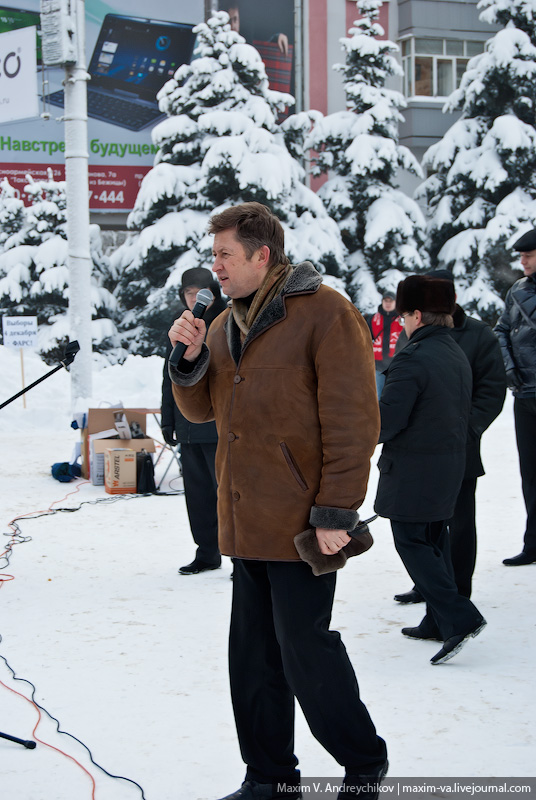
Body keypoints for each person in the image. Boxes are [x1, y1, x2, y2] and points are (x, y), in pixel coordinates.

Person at [168, 202, 387, 800]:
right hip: (246, 519)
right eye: (213, 255)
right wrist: (186, 360)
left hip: (302, 525)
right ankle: (269, 776)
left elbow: (353, 419)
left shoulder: (325, 313)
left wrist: (337, 512)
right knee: (253, 662)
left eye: (224, 256)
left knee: (304, 654)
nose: (215, 266)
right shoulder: (221, 323)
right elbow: (203, 411)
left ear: (262, 256)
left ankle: (364, 763)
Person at [374, 275, 486, 665]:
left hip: (415, 469)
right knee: (435, 540)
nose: (403, 322)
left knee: (412, 542)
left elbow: (389, 420)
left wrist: (357, 427)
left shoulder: (414, 356)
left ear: (417, 315)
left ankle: (458, 617)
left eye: (405, 315)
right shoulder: (453, 352)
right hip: (448, 466)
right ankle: (436, 620)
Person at [393, 269, 506, 602]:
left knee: (458, 525)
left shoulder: (478, 335)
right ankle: (430, 587)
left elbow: (492, 391)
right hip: (418, 450)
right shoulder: (414, 331)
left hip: (460, 448)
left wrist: (466, 430)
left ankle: (458, 592)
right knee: (423, 525)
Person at [161, 267, 228, 575]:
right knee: (198, 498)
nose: (193, 298)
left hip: (219, 427)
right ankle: (207, 552)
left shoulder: (227, 322)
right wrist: (168, 420)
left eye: (199, 293)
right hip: (189, 429)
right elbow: (170, 378)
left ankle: (240, 555)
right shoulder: (182, 327)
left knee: (227, 496)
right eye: (188, 293)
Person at [495, 227, 536, 567]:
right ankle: (533, 543)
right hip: (525, 394)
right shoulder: (518, 290)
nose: (522, 261)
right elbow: (501, 331)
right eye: (521, 256)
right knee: (530, 474)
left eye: (528, 255)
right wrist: (509, 368)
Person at [365, 292, 405, 397]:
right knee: (379, 396)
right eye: (385, 301)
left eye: (390, 301)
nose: (388, 303)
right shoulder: (373, 319)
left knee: (396, 396)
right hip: (378, 366)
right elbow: (366, 338)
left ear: (396, 302)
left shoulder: (402, 320)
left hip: (397, 365)